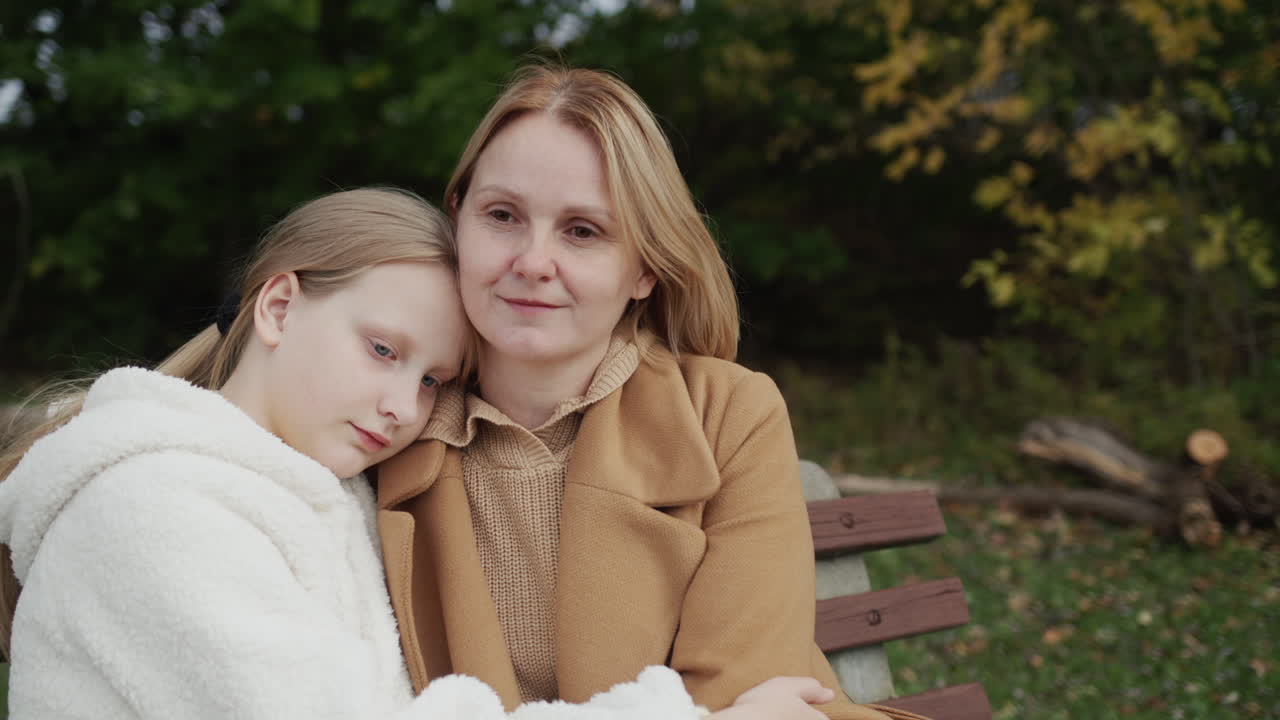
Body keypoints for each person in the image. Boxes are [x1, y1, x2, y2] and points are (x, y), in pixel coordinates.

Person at [0, 187, 835, 720]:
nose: (405, 407)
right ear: (280, 307)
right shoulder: (149, 510)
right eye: (382, 351)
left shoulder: (326, 499)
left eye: (437, 378)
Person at [374, 67, 924, 720]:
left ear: (643, 268)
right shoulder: (386, 421)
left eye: (582, 231)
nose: (532, 261)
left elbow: (742, 698)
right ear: (458, 219)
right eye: (503, 216)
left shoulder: (727, 414)